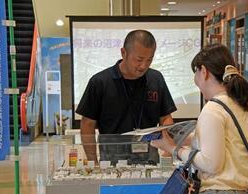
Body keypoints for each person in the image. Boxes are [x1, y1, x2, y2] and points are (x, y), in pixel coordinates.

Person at [151, 44, 248, 194]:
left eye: (195, 73)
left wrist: (173, 148)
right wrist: (189, 138)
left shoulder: (213, 109)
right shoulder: (244, 101)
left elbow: (211, 163)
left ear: (204, 71)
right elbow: (229, 140)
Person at [76, 29, 177, 164]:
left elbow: (165, 117)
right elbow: (87, 124)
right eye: (139, 59)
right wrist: (93, 162)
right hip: (112, 160)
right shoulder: (100, 82)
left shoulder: (156, 79)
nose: (144, 66)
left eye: (149, 60)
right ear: (124, 53)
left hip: (149, 158)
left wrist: (168, 148)